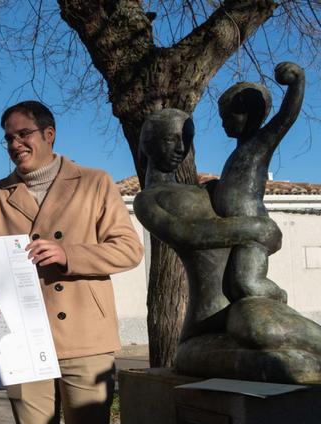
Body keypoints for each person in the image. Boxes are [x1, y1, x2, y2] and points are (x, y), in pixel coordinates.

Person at [0, 101, 143, 424]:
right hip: (23, 342)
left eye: (23, 134)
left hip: (86, 339)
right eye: (8, 138)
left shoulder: (95, 182)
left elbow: (129, 249)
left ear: (49, 134)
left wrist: (71, 254)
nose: (15, 144)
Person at [135, 108, 321, 384]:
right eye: (170, 139)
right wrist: (255, 229)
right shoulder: (148, 199)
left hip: (245, 302)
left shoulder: (210, 190)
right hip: (203, 326)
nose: (180, 148)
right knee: (280, 364)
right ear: (148, 144)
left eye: (186, 140)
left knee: (262, 328)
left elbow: (264, 223)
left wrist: (265, 231)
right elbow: (187, 234)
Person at [212, 62, 305, 304]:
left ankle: (279, 299)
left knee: (246, 283)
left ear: (248, 112)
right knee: (232, 288)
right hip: (236, 230)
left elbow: (286, 117)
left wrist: (297, 81)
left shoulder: (259, 144)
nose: (223, 124)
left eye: (227, 117)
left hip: (255, 230)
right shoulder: (238, 152)